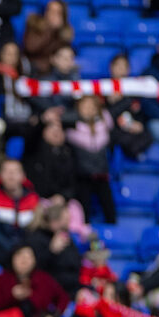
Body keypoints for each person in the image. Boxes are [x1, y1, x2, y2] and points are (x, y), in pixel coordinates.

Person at [0, 243, 69, 317]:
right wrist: (11, 296)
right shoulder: (1, 280)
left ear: (35, 260)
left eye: (28, 257)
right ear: (12, 258)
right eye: (20, 256)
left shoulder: (44, 279)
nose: (24, 260)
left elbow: (63, 298)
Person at [64, 95, 116, 224]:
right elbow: (63, 117)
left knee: (109, 207)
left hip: (101, 173)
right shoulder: (73, 127)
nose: (88, 110)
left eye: (92, 107)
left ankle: (113, 233)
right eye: (85, 106)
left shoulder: (103, 124)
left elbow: (121, 106)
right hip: (82, 175)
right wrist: (79, 115)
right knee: (84, 208)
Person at [0, 159, 40, 263]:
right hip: (1, 251)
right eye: (7, 171)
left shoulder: (33, 199)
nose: (11, 176)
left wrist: (23, 251)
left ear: (23, 176)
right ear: (0, 176)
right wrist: (13, 250)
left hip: (28, 251)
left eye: (15, 172)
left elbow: (36, 230)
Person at [24, 201, 81, 296]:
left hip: (73, 285)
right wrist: (52, 251)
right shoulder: (35, 239)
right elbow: (35, 269)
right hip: (52, 290)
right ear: (54, 222)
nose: (69, 223)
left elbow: (75, 262)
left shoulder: (65, 236)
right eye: (66, 220)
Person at [106, 54, 155, 160]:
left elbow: (140, 111)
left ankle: (135, 154)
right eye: (118, 66)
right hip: (114, 129)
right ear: (111, 67)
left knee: (149, 134)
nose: (121, 70)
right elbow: (105, 116)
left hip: (132, 127)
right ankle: (133, 154)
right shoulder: (103, 88)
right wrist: (112, 102)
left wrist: (139, 124)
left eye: (124, 67)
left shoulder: (134, 89)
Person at [23, 120, 76, 201]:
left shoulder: (69, 153)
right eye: (51, 128)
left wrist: (63, 196)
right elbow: (31, 134)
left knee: (74, 208)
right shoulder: (33, 148)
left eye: (59, 129)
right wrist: (42, 119)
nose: (56, 132)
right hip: (33, 199)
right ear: (43, 132)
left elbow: (72, 184)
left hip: (59, 201)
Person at [22, 0, 73, 76]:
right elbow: (31, 48)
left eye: (57, 13)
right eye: (51, 11)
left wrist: (60, 32)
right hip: (35, 68)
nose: (53, 15)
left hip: (56, 68)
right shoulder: (35, 24)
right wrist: (50, 29)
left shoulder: (64, 32)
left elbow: (64, 51)